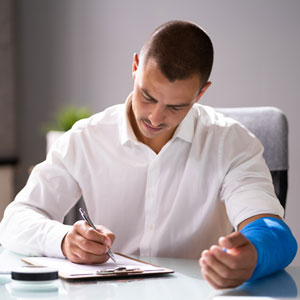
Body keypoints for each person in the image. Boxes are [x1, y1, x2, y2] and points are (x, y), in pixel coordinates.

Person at [0, 20, 297, 289]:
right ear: (135, 66)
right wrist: (63, 240)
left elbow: (273, 231)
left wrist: (253, 254)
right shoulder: (85, 138)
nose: (155, 117)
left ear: (201, 93)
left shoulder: (233, 143)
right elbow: (15, 220)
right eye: (148, 96)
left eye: (176, 107)